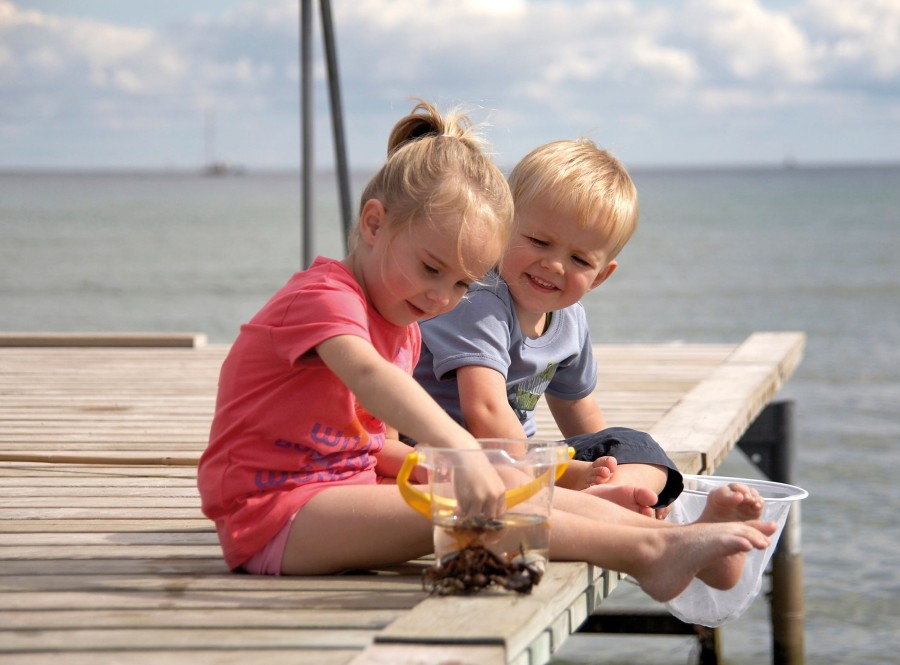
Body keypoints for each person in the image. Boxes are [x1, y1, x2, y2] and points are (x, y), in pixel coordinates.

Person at [197, 100, 776, 603]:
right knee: (484, 512)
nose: (442, 297)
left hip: (341, 497)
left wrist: (469, 467)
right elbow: (372, 378)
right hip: (273, 517)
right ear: (373, 223)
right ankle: (649, 553)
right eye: (431, 268)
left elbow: (374, 450)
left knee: (519, 493)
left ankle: (678, 539)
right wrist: (460, 452)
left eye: (460, 283)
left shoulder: (401, 320)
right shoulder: (322, 298)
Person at [412, 139, 681, 516]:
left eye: (579, 259)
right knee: (615, 463)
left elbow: (580, 412)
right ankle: (607, 508)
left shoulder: (570, 319)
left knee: (638, 447)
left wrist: (606, 465)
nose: (554, 266)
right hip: (450, 455)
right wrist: (560, 470)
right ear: (500, 227)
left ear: (600, 276)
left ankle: (618, 500)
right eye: (539, 241)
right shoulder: (480, 299)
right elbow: (485, 412)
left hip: (519, 459)